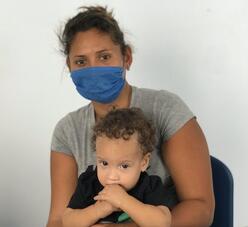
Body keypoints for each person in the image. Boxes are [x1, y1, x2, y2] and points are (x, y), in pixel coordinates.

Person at [47, 5, 215, 227]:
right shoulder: (67, 131)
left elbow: (200, 207)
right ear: (69, 67)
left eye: (104, 57)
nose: (93, 69)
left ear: (126, 57)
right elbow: (58, 220)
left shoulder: (165, 109)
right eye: (81, 62)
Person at [62, 107, 171, 227]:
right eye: (104, 163)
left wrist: (123, 200)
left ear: (143, 163)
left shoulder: (149, 186)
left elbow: (162, 223)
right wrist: (98, 209)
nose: (112, 176)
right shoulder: (88, 183)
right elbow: (68, 222)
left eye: (124, 166)